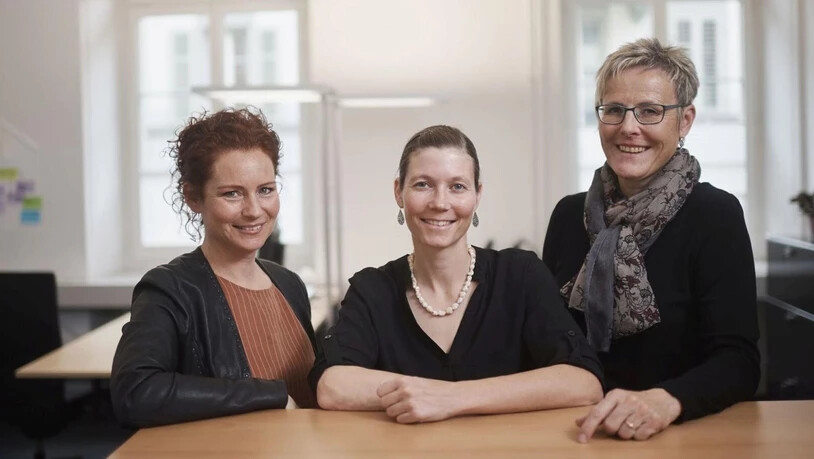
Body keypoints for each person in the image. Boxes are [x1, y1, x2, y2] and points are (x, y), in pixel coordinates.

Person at [542, 38, 760, 442]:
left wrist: (665, 401)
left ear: (685, 120)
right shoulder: (567, 216)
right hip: (576, 433)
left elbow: (738, 362)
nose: (629, 127)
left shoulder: (715, 215)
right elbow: (549, 345)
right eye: (614, 110)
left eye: (650, 111)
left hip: (677, 435)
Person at [310, 125, 604, 424]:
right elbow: (332, 386)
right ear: (399, 192)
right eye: (423, 184)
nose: (440, 203)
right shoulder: (372, 289)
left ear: (477, 195)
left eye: (457, 186)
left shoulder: (521, 276)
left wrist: (450, 398)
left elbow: (583, 383)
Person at [111, 108, 317, 427]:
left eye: (265, 189)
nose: (254, 210)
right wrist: (270, 395)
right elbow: (137, 392)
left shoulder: (288, 283)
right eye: (231, 193)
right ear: (193, 197)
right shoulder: (170, 288)